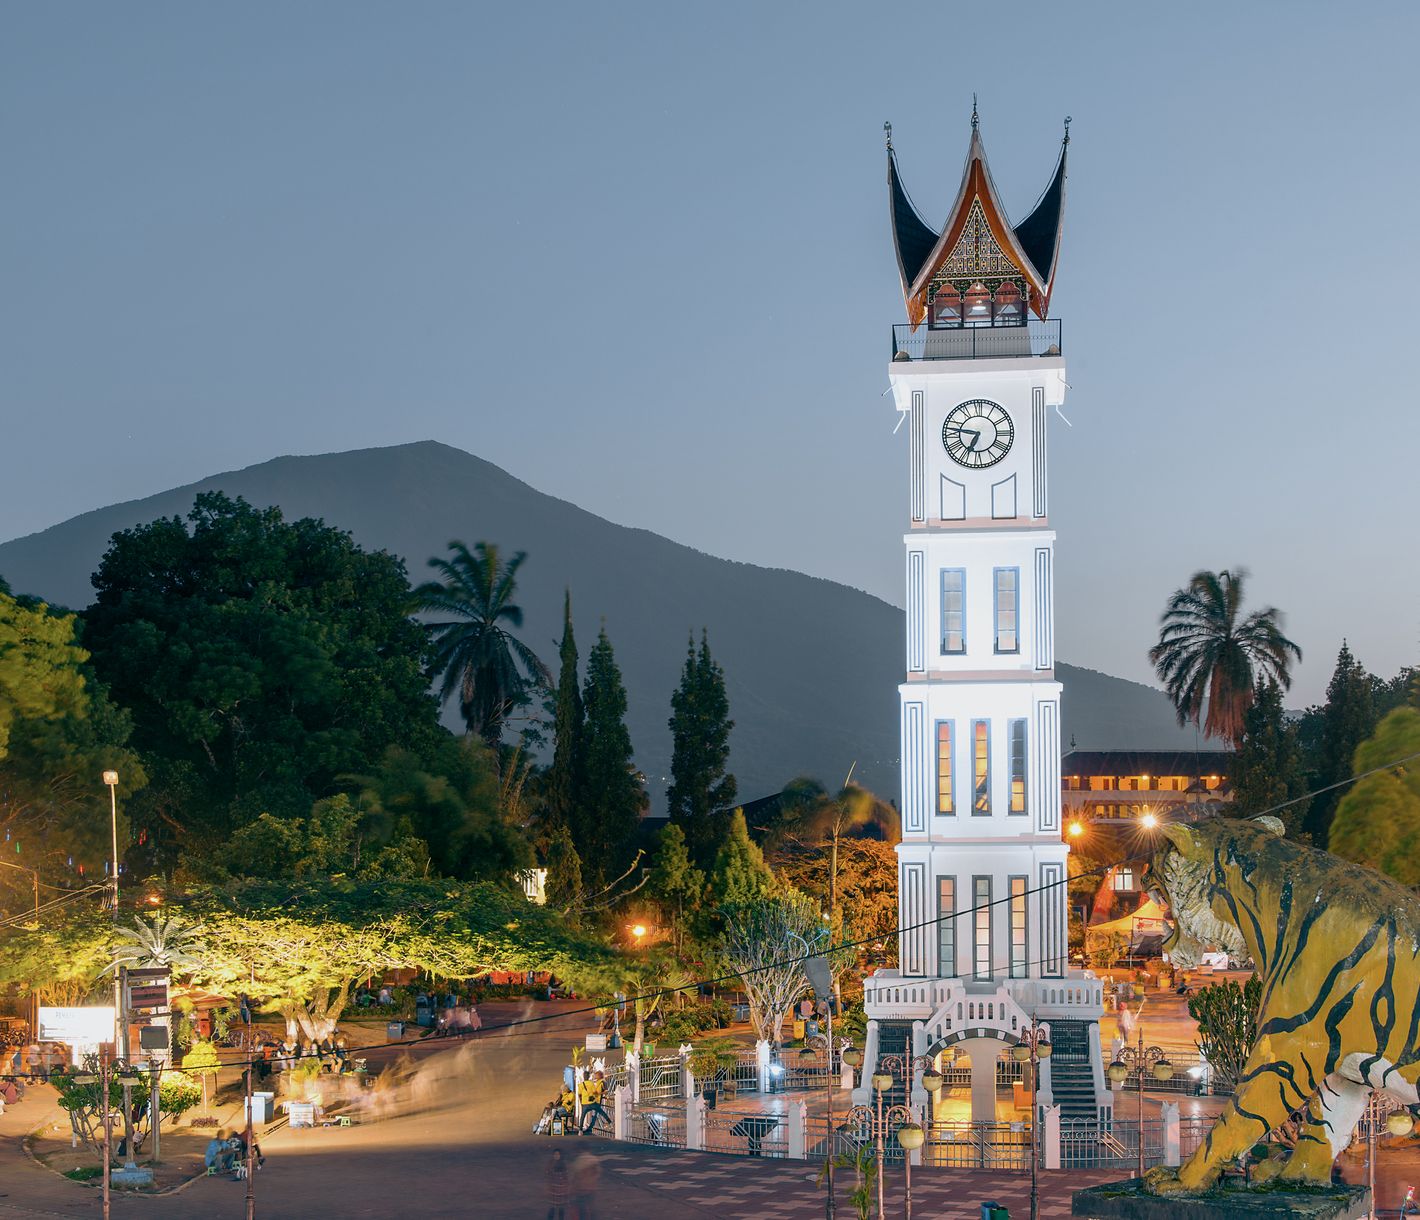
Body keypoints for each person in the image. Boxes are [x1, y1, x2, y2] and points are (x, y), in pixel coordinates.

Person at [568, 1151, 601, 1219]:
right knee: (591, 1209)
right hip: (590, 1189)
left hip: (582, 1190)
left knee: (582, 1209)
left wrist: (573, 1188)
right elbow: (597, 1173)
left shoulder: (578, 1162)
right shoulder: (593, 1160)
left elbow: (574, 1177)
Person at [546, 1148, 568, 1219]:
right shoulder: (550, 1163)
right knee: (552, 1208)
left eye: (558, 1154)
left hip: (561, 1189)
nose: (556, 1156)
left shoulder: (563, 1164)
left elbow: (566, 1177)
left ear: (561, 1155)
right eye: (555, 1154)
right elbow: (547, 1174)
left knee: (561, 1208)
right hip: (553, 1189)